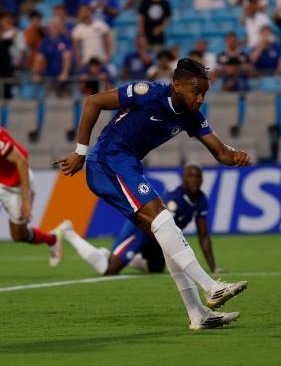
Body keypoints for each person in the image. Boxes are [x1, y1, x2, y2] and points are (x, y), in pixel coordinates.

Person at [54, 58, 251, 330]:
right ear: (177, 85)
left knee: (166, 236)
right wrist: (80, 152)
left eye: (204, 93)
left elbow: (220, 152)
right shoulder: (147, 92)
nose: (200, 99)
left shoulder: (191, 115)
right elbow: (92, 102)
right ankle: (211, 286)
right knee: (163, 218)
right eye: (196, 92)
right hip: (108, 160)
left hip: (128, 164)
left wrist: (236, 156)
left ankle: (198, 315)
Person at [56, 163, 223, 275]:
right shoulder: (174, 199)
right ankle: (70, 233)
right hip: (140, 230)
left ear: (202, 179)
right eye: (190, 176)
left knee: (156, 269)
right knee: (108, 270)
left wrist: (213, 267)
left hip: (158, 237)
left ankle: (130, 259)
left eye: (197, 176)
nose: (194, 180)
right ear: (183, 178)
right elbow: (155, 225)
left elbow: (203, 235)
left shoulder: (201, 199)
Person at [0, 127, 62, 266]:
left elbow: (21, 162)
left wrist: (25, 200)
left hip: (16, 185)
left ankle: (52, 239)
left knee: (18, 235)